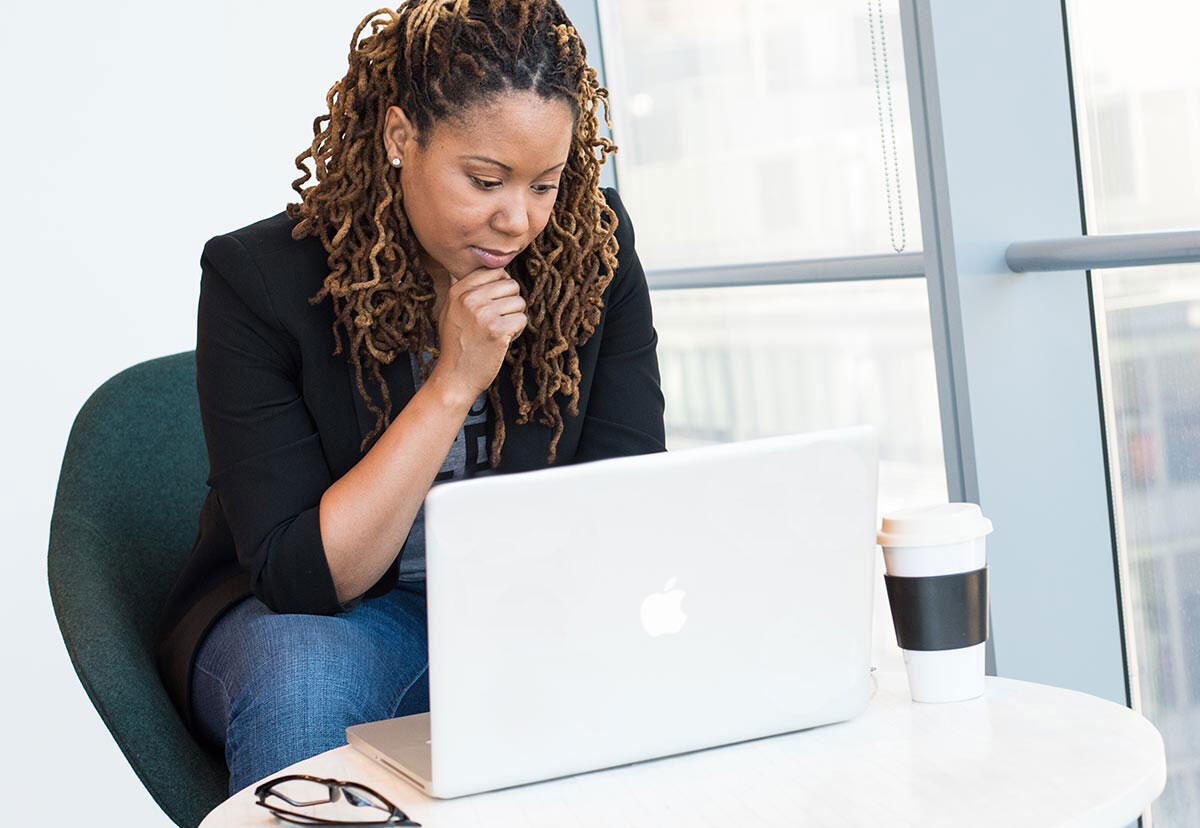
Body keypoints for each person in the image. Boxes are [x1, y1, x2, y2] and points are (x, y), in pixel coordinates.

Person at [153, 0, 667, 796]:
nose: (519, 220)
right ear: (401, 138)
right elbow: (303, 578)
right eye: (485, 180)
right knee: (304, 684)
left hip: (524, 608)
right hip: (331, 620)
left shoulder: (588, 247)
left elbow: (627, 483)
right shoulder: (259, 281)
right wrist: (451, 384)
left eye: (546, 184)